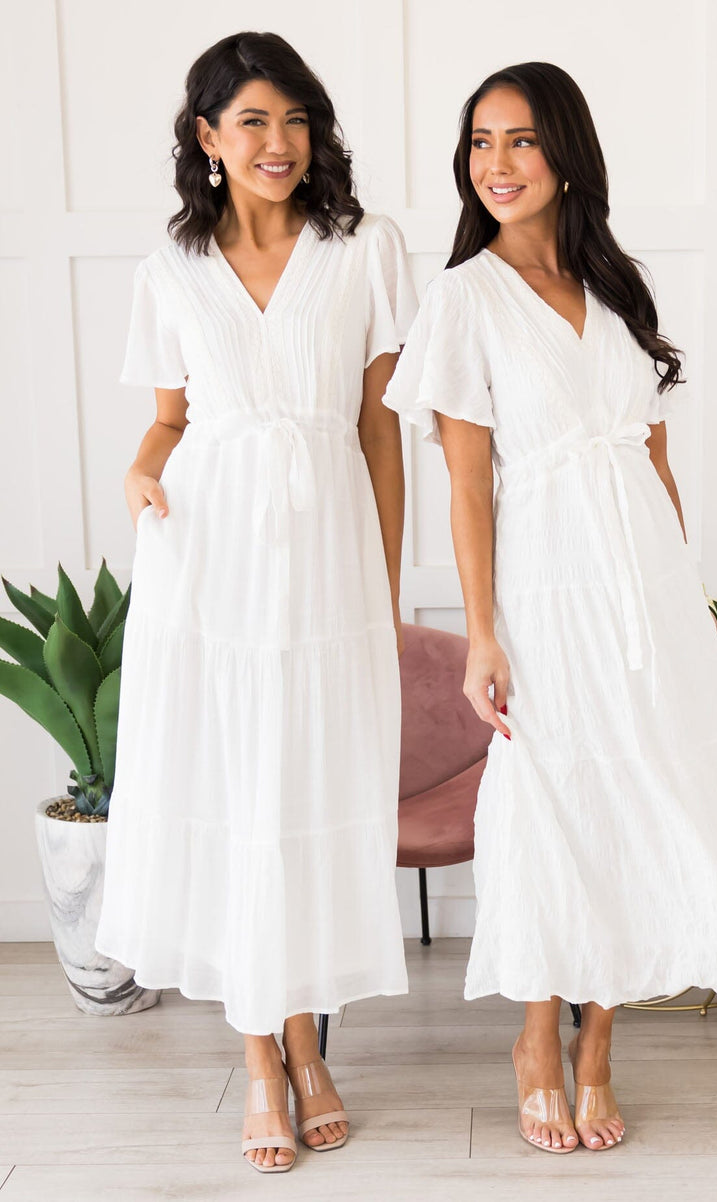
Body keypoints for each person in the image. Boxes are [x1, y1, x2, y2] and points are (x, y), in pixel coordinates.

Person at [384, 61, 717, 1155]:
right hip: (544, 589)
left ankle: (599, 1045)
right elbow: (465, 485)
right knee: (554, 801)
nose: (496, 163)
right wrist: (481, 630)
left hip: (643, 588)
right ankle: (536, 1040)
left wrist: (685, 601)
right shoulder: (463, 298)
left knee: (645, 797)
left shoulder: (617, 288)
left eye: (519, 139)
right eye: (480, 142)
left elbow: (656, 464)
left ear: (565, 154)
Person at [95, 31, 417, 1174]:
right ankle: (265, 1058)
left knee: (309, 792)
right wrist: (140, 472)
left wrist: (384, 585)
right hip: (207, 555)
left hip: (327, 561)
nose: (279, 142)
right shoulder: (170, 267)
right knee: (232, 789)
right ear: (207, 138)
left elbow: (381, 430)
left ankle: (308, 1038)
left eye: (295, 119)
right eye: (252, 122)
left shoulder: (365, 248)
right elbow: (168, 421)